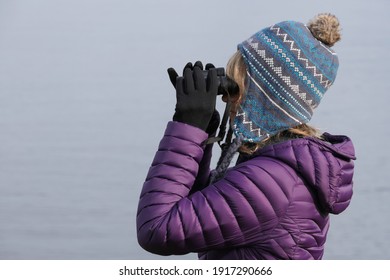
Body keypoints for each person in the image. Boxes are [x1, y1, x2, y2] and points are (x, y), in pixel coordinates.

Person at [136, 13, 356, 260]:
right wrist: (203, 133)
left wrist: (186, 126)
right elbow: (197, 209)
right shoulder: (281, 168)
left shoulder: (272, 181)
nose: (226, 96)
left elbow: (156, 230)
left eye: (236, 84)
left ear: (262, 96)